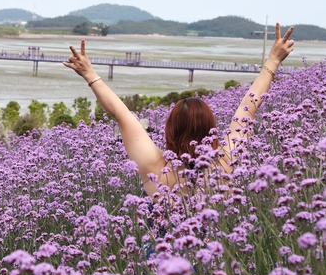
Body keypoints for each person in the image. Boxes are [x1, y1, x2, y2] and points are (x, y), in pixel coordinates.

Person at [63, 23, 294, 198]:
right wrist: (273, 61)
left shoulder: (155, 168)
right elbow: (249, 108)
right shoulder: (226, 164)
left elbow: (121, 114)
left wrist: (90, 75)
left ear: (169, 130)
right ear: (211, 129)